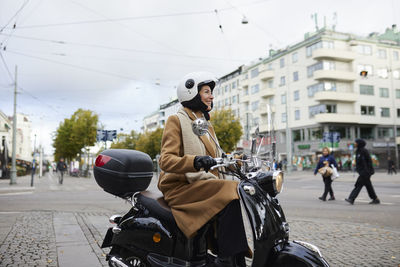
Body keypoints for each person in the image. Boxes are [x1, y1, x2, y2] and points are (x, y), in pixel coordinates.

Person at [158, 72, 248, 267]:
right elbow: (166, 160)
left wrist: (238, 160)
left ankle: (233, 258)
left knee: (238, 189)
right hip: (180, 187)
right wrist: (195, 161)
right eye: (206, 91)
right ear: (191, 93)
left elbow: (217, 158)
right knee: (230, 190)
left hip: (202, 183)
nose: (211, 96)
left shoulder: (206, 125)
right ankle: (226, 260)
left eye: (211, 92)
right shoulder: (176, 120)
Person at [345, 139, 380, 204]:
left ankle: (351, 198)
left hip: (365, 172)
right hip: (362, 172)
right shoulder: (358, 151)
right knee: (368, 186)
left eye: (356, 142)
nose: (354, 143)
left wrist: (367, 171)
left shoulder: (364, 151)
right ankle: (375, 199)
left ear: (359, 143)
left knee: (358, 185)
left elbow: (368, 162)